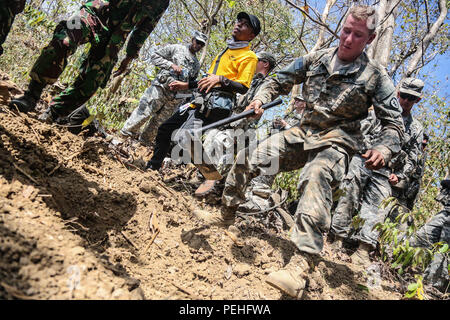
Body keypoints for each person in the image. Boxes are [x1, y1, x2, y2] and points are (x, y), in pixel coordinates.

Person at [193, 5, 405, 298]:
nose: (347, 39)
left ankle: (301, 265)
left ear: (370, 39)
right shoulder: (317, 59)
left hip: (336, 142)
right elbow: (278, 80)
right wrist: (260, 99)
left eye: (358, 35)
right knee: (250, 157)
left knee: (315, 178)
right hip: (302, 132)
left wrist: (384, 147)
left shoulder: (375, 77)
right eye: (346, 30)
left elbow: (394, 125)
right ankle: (226, 213)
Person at [10, 0, 171, 124]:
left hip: (114, 38)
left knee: (92, 82)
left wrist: (129, 56)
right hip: (93, 14)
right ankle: (31, 96)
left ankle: (54, 113)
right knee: (64, 41)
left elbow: (144, 29)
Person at [146, 12, 261, 171]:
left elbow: (243, 87)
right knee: (166, 128)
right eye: (239, 21)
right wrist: (186, 85)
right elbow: (207, 79)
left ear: (251, 36)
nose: (239, 24)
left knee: (183, 138)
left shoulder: (249, 56)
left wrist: (221, 79)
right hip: (197, 100)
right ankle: (153, 167)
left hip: (214, 107)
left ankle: (181, 170)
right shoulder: (226, 51)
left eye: (245, 24)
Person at [330, 78, 424, 266]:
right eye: (404, 96)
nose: (406, 101)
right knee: (349, 194)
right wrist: (364, 150)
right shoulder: (378, 112)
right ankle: (337, 238)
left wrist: (402, 175)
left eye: (411, 98)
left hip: (386, 171)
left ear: (417, 101)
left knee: (377, 209)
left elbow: (415, 156)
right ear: (398, 94)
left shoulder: (416, 128)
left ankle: (363, 249)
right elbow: (360, 132)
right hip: (362, 160)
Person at [195, 51, 276, 198]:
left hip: (243, 125)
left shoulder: (267, 84)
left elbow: (263, 97)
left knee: (223, 148)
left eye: (256, 61)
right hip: (229, 118)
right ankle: (201, 180)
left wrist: (256, 105)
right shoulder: (248, 78)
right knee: (209, 140)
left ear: (265, 64)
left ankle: (213, 189)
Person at [119, 31, 207, 145]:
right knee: (144, 112)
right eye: (198, 42)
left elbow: (190, 83)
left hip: (174, 98)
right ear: (192, 39)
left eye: (202, 44)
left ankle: (143, 143)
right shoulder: (176, 48)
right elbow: (154, 56)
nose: (199, 46)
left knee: (159, 122)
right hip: (160, 88)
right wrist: (171, 65)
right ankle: (125, 135)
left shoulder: (196, 64)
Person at [410, 174, 450, 293]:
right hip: (447, 211)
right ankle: (410, 270)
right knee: (420, 238)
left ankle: (434, 287)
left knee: (444, 251)